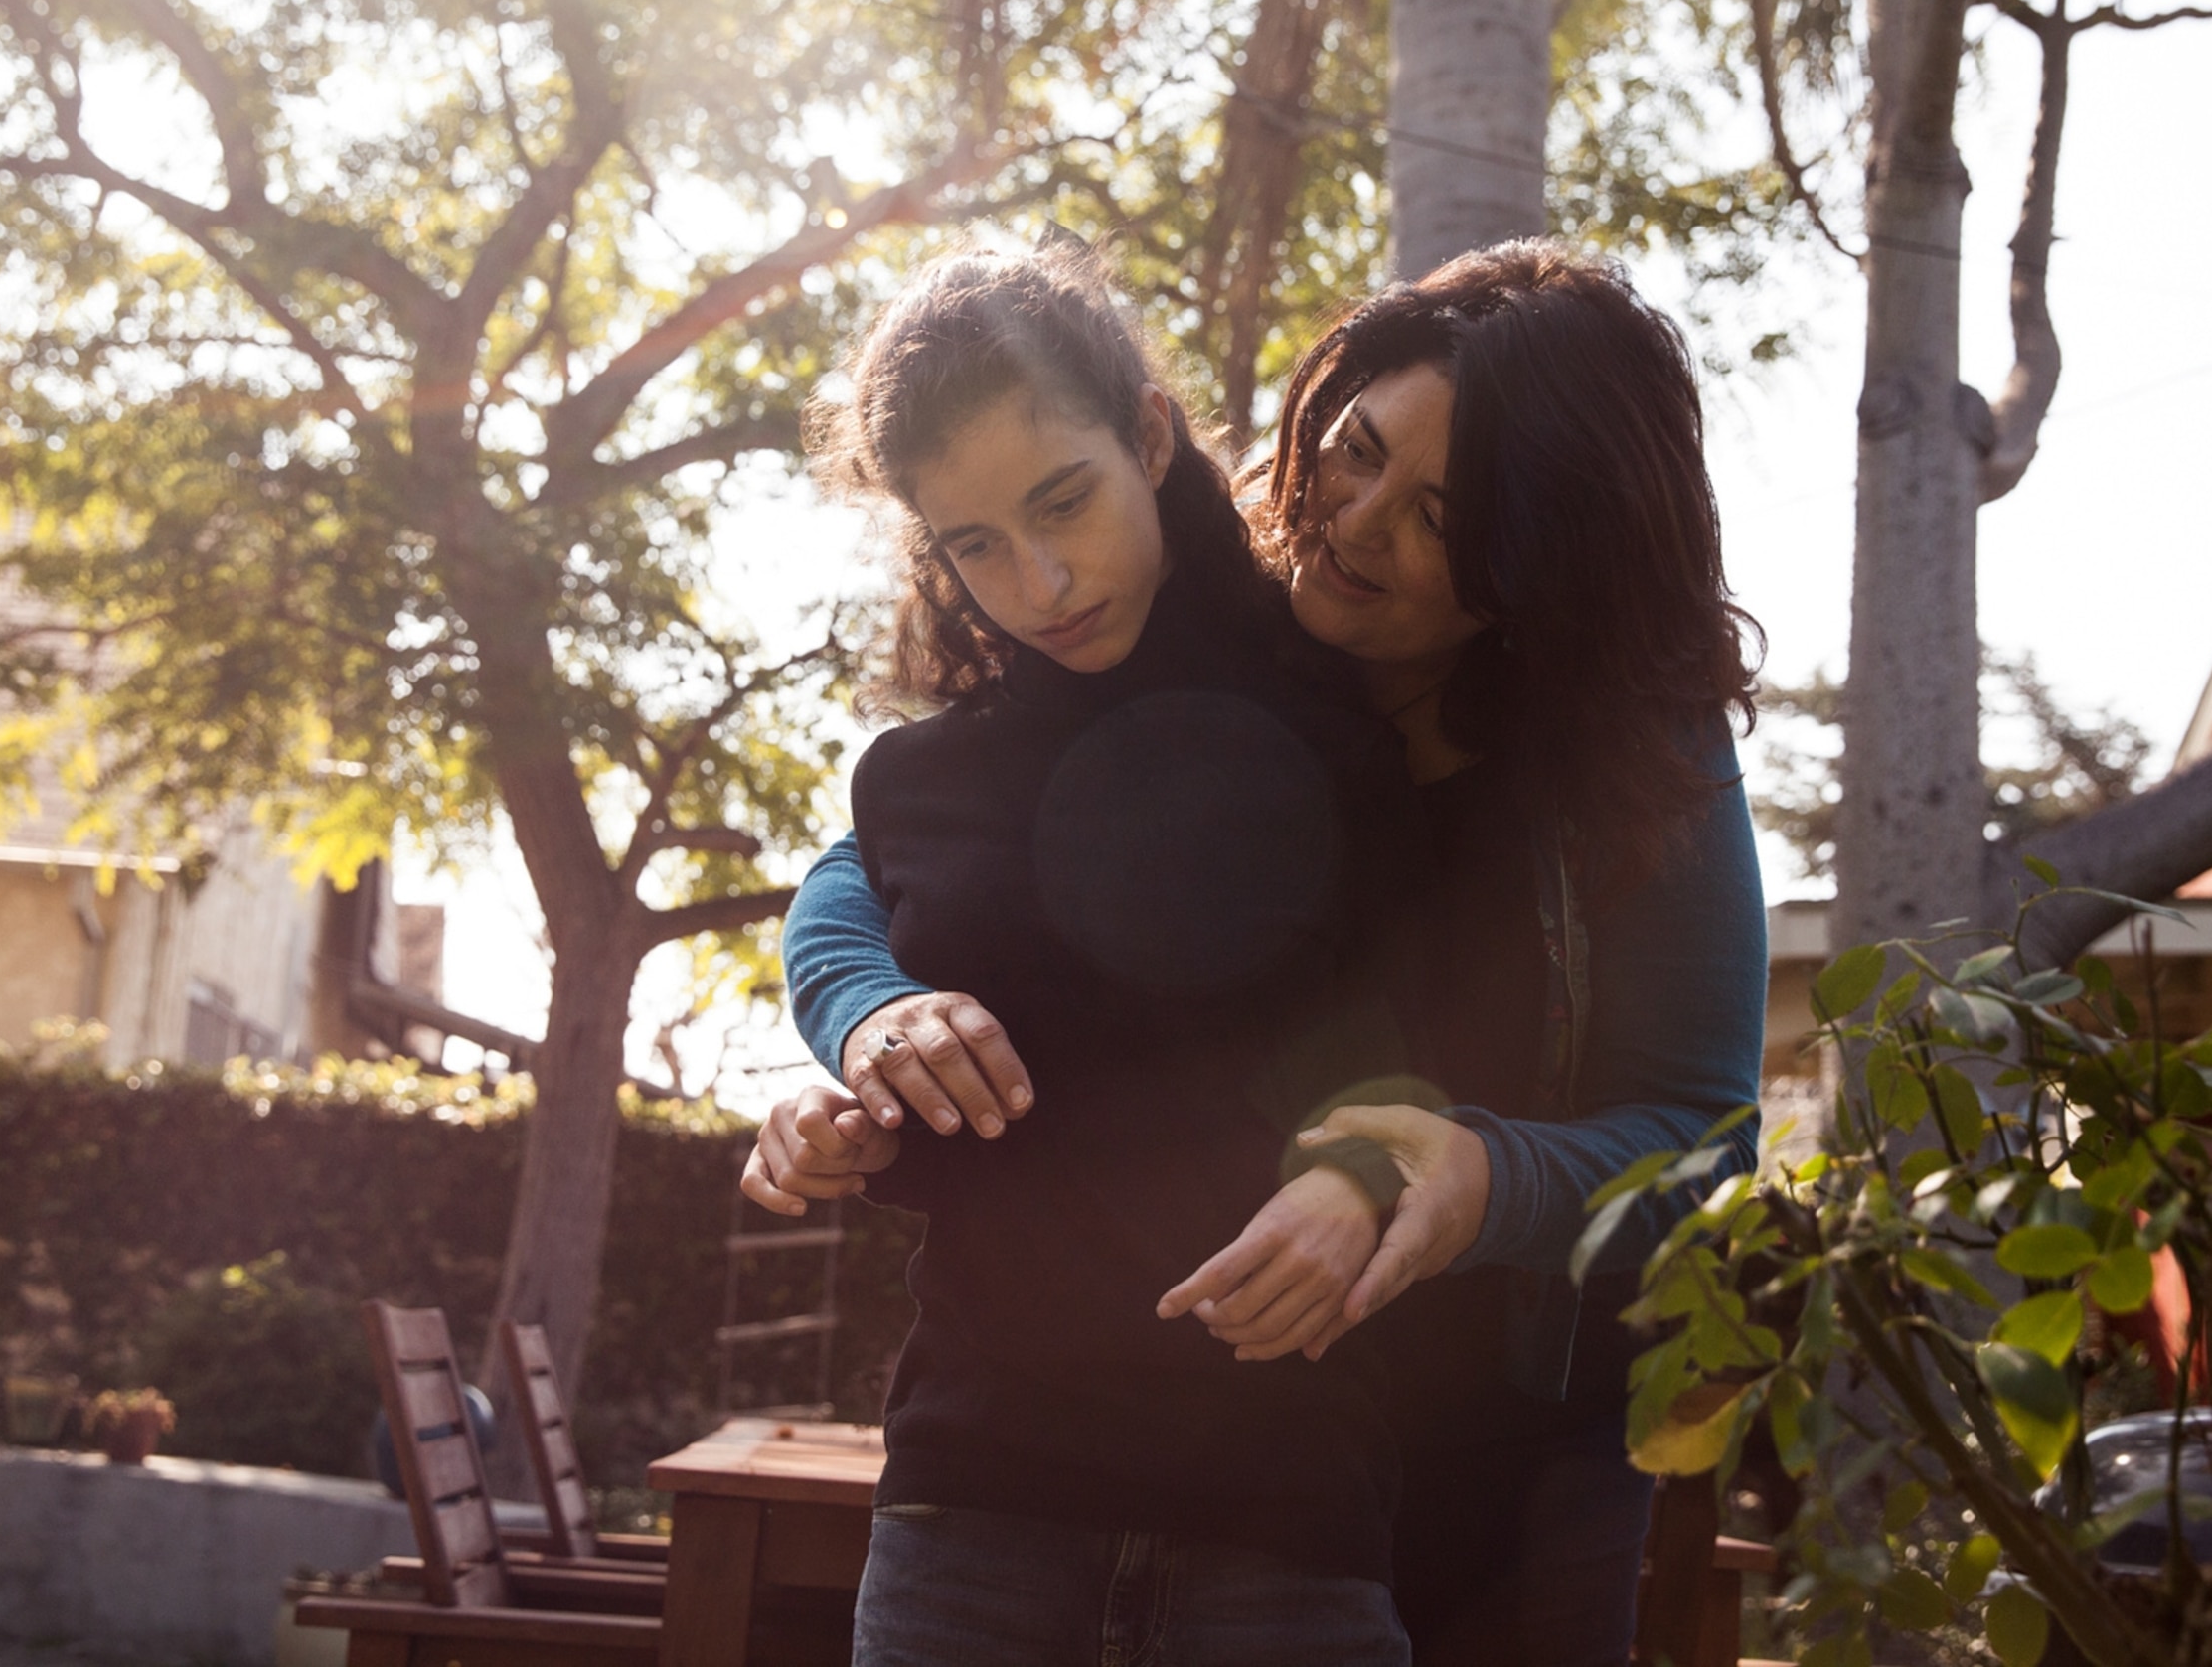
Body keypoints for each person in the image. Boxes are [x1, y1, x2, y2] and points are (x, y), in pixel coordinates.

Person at [749, 241, 1769, 1665]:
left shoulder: (1632, 749)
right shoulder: (1200, 611)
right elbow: (883, 861)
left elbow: (1707, 1150)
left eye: (1441, 518)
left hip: (1498, 1460)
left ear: (1543, 557)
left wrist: (1479, 1177)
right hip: (1205, 1446)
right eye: (1353, 449)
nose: (1350, 522)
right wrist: (864, 1007)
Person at [794, 243, 1428, 1667]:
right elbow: (969, 1130)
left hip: (1291, 1521)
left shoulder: (1356, 722)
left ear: (1148, 432)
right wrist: (848, 1113)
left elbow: (1449, 1036)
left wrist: (1361, 1169)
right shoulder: (916, 786)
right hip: (972, 1519)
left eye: (1062, 501)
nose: (1041, 579)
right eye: (973, 546)